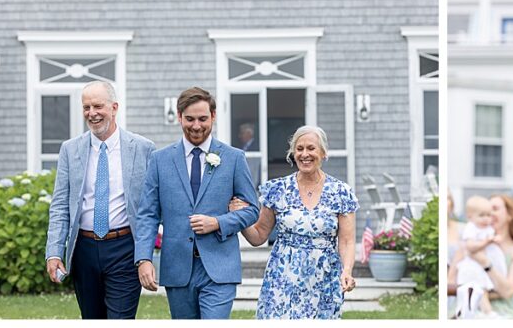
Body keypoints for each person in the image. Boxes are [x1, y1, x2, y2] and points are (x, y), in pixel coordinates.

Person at [133, 87, 261, 319]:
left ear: (213, 116)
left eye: (203, 119)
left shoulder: (233, 158)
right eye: (190, 119)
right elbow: (147, 214)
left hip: (219, 268)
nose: (196, 125)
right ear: (179, 117)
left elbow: (252, 210)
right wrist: (144, 259)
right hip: (178, 268)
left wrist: (218, 222)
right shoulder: (160, 160)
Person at [45, 81, 155, 319]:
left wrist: (147, 252)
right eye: (86, 107)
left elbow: (153, 204)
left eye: (98, 106)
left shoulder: (143, 148)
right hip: (83, 249)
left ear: (114, 107)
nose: (92, 113)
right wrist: (54, 251)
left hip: (125, 247)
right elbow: (60, 205)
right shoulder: (69, 149)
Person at [231, 125, 358, 319]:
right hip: (282, 279)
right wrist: (239, 218)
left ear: (323, 153)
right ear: (293, 153)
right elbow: (258, 235)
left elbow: (347, 241)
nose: (304, 154)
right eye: (299, 149)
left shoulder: (341, 192)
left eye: (311, 148)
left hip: (324, 278)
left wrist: (347, 271)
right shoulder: (278, 189)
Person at [456, 195, 513, 319]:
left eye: (494, 209)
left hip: (502, 311)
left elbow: (507, 292)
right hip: (466, 306)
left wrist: (484, 262)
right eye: (484, 211)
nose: (489, 214)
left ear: (510, 215)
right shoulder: (471, 243)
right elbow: (451, 281)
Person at [454, 196, 503, 316]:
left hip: (480, 268)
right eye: (482, 215)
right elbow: (470, 246)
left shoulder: (487, 229)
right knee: (474, 290)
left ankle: (485, 311)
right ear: (470, 216)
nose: (486, 219)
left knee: (482, 290)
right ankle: (478, 311)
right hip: (471, 267)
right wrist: (487, 242)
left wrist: (495, 240)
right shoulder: (471, 228)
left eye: (488, 215)